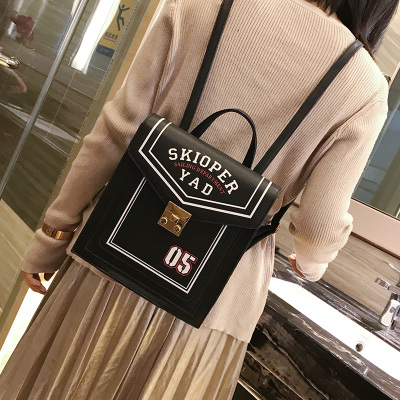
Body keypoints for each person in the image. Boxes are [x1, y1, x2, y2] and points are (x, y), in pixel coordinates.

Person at [0, 0, 395, 398]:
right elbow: (318, 226)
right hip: (213, 297)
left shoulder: (201, 6)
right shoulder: (362, 85)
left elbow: (115, 134)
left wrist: (52, 236)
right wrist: (312, 263)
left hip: (117, 244)